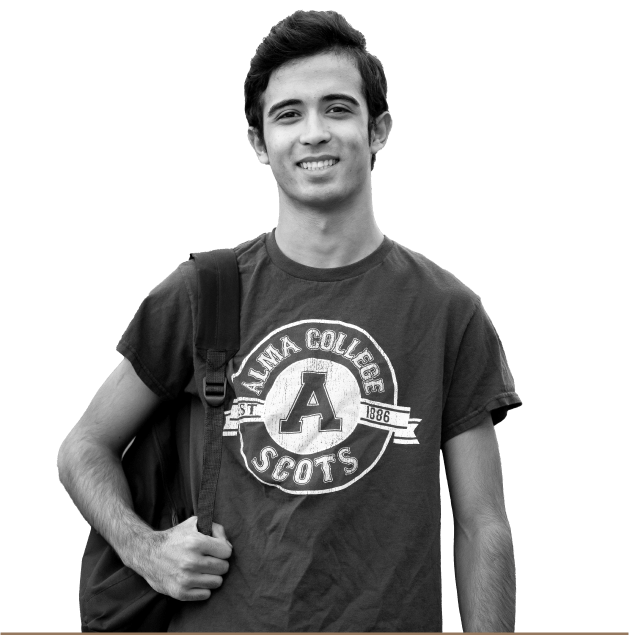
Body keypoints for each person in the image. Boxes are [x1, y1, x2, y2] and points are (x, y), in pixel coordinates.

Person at [58, 9, 522, 632]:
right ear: (258, 143)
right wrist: (147, 551)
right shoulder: (204, 291)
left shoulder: (447, 309)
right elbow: (82, 448)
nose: (313, 133)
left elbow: (482, 522)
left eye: (337, 108)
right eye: (288, 114)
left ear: (378, 129)